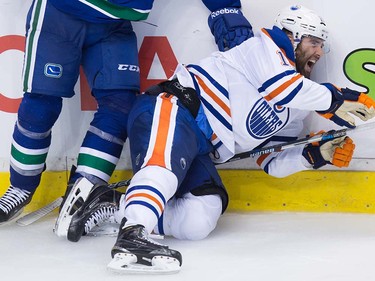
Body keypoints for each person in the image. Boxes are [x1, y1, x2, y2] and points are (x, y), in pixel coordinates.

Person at [65, 4, 375, 274]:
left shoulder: (295, 107)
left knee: (201, 218)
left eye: (322, 46)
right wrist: (339, 100)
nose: (319, 53)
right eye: (314, 41)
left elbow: (271, 160)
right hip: (173, 109)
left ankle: (114, 205)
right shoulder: (263, 49)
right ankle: (133, 235)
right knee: (164, 169)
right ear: (291, 35)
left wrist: (314, 155)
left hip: (200, 146)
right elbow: (281, 86)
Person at [0, 0, 253, 224]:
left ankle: (84, 190)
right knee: (40, 106)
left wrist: (225, 11)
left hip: (116, 23)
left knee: (119, 107)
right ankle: (21, 186)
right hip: (60, 15)